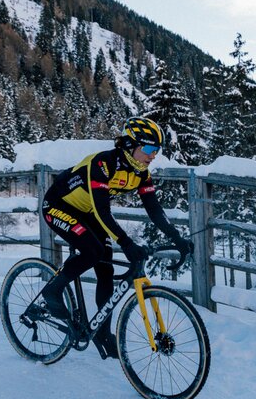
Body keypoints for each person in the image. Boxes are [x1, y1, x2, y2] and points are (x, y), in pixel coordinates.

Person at [37, 116, 192, 356]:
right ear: (131, 145)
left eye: (157, 151)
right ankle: (52, 290)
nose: (153, 156)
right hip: (58, 206)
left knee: (105, 269)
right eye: (149, 149)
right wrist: (126, 243)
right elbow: (103, 211)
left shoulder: (141, 172)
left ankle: (102, 332)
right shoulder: (103, 164)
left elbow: (154, 210)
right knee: (93, 251)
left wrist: (177, 238)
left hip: (87, 212)